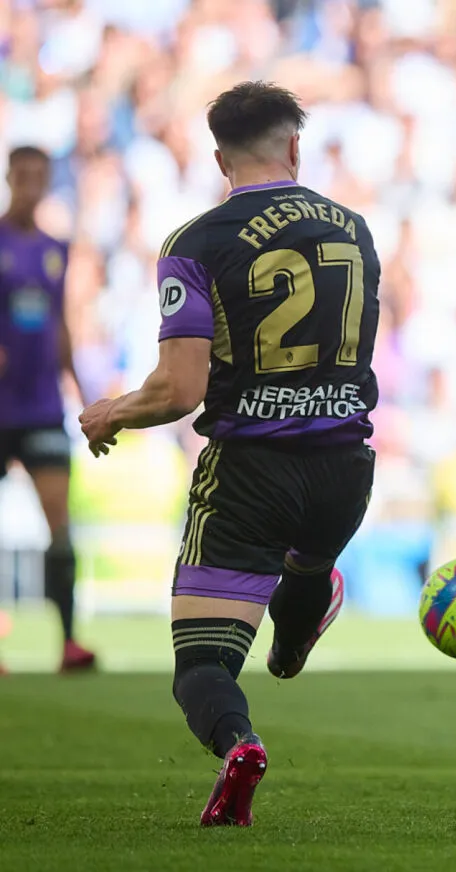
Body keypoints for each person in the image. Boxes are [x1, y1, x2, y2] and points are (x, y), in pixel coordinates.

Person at [79, 82, 380, 827]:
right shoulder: (354, 227)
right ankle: (300, 614)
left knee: (203, 666)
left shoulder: (196, 242)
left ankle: (239, 744)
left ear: (219, 158)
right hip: (347, 465)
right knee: (308, 562)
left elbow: (181, 390)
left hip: (253, 470)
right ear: (295, 147)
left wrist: (112, 410)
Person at [0, 145, 98, 673]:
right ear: (10, 177)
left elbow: (61, 324)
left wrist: (79, 390)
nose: (32, 184)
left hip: (40, 403)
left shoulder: (56, 249)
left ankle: (68, 641)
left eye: (40, 175)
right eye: (23, 175)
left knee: (58, 520)